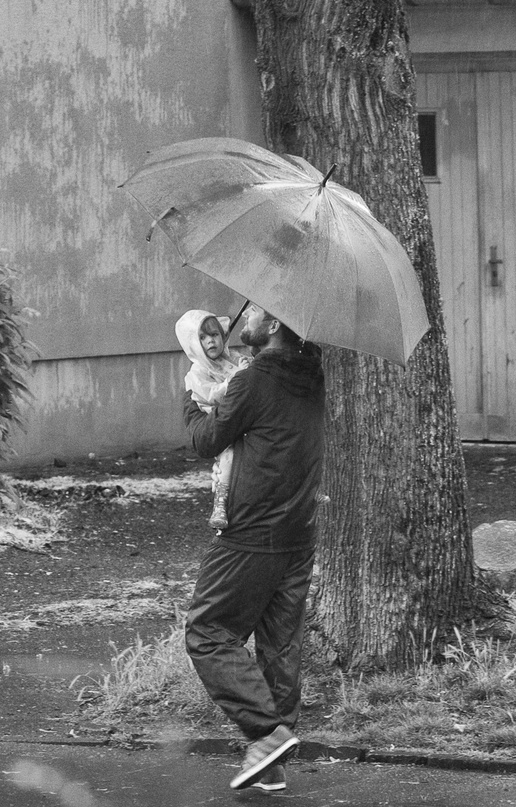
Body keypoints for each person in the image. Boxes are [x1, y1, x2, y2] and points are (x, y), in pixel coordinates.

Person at [181, 303, 325, 792]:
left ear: (274, 325)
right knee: (279, 645)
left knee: (207, 632)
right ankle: (273, 763)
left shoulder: (253, 381)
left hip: (249, 534)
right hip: (298, 532)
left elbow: (205, 440)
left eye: (256, 314)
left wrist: (189, 399)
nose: (242, 322)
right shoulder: (311, 375)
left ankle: (267, 734)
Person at [174, 308, 250, 528]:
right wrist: (233, 379)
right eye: (202, 338)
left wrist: (246, 366)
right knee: (228, 457)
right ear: (193, 345)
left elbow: (248, 373)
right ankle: (220, 504)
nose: (210, 341)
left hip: (243, 418)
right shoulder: (197, 372)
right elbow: (211, 394)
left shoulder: (232, 357)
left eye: (214, 334)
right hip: (218, 420)